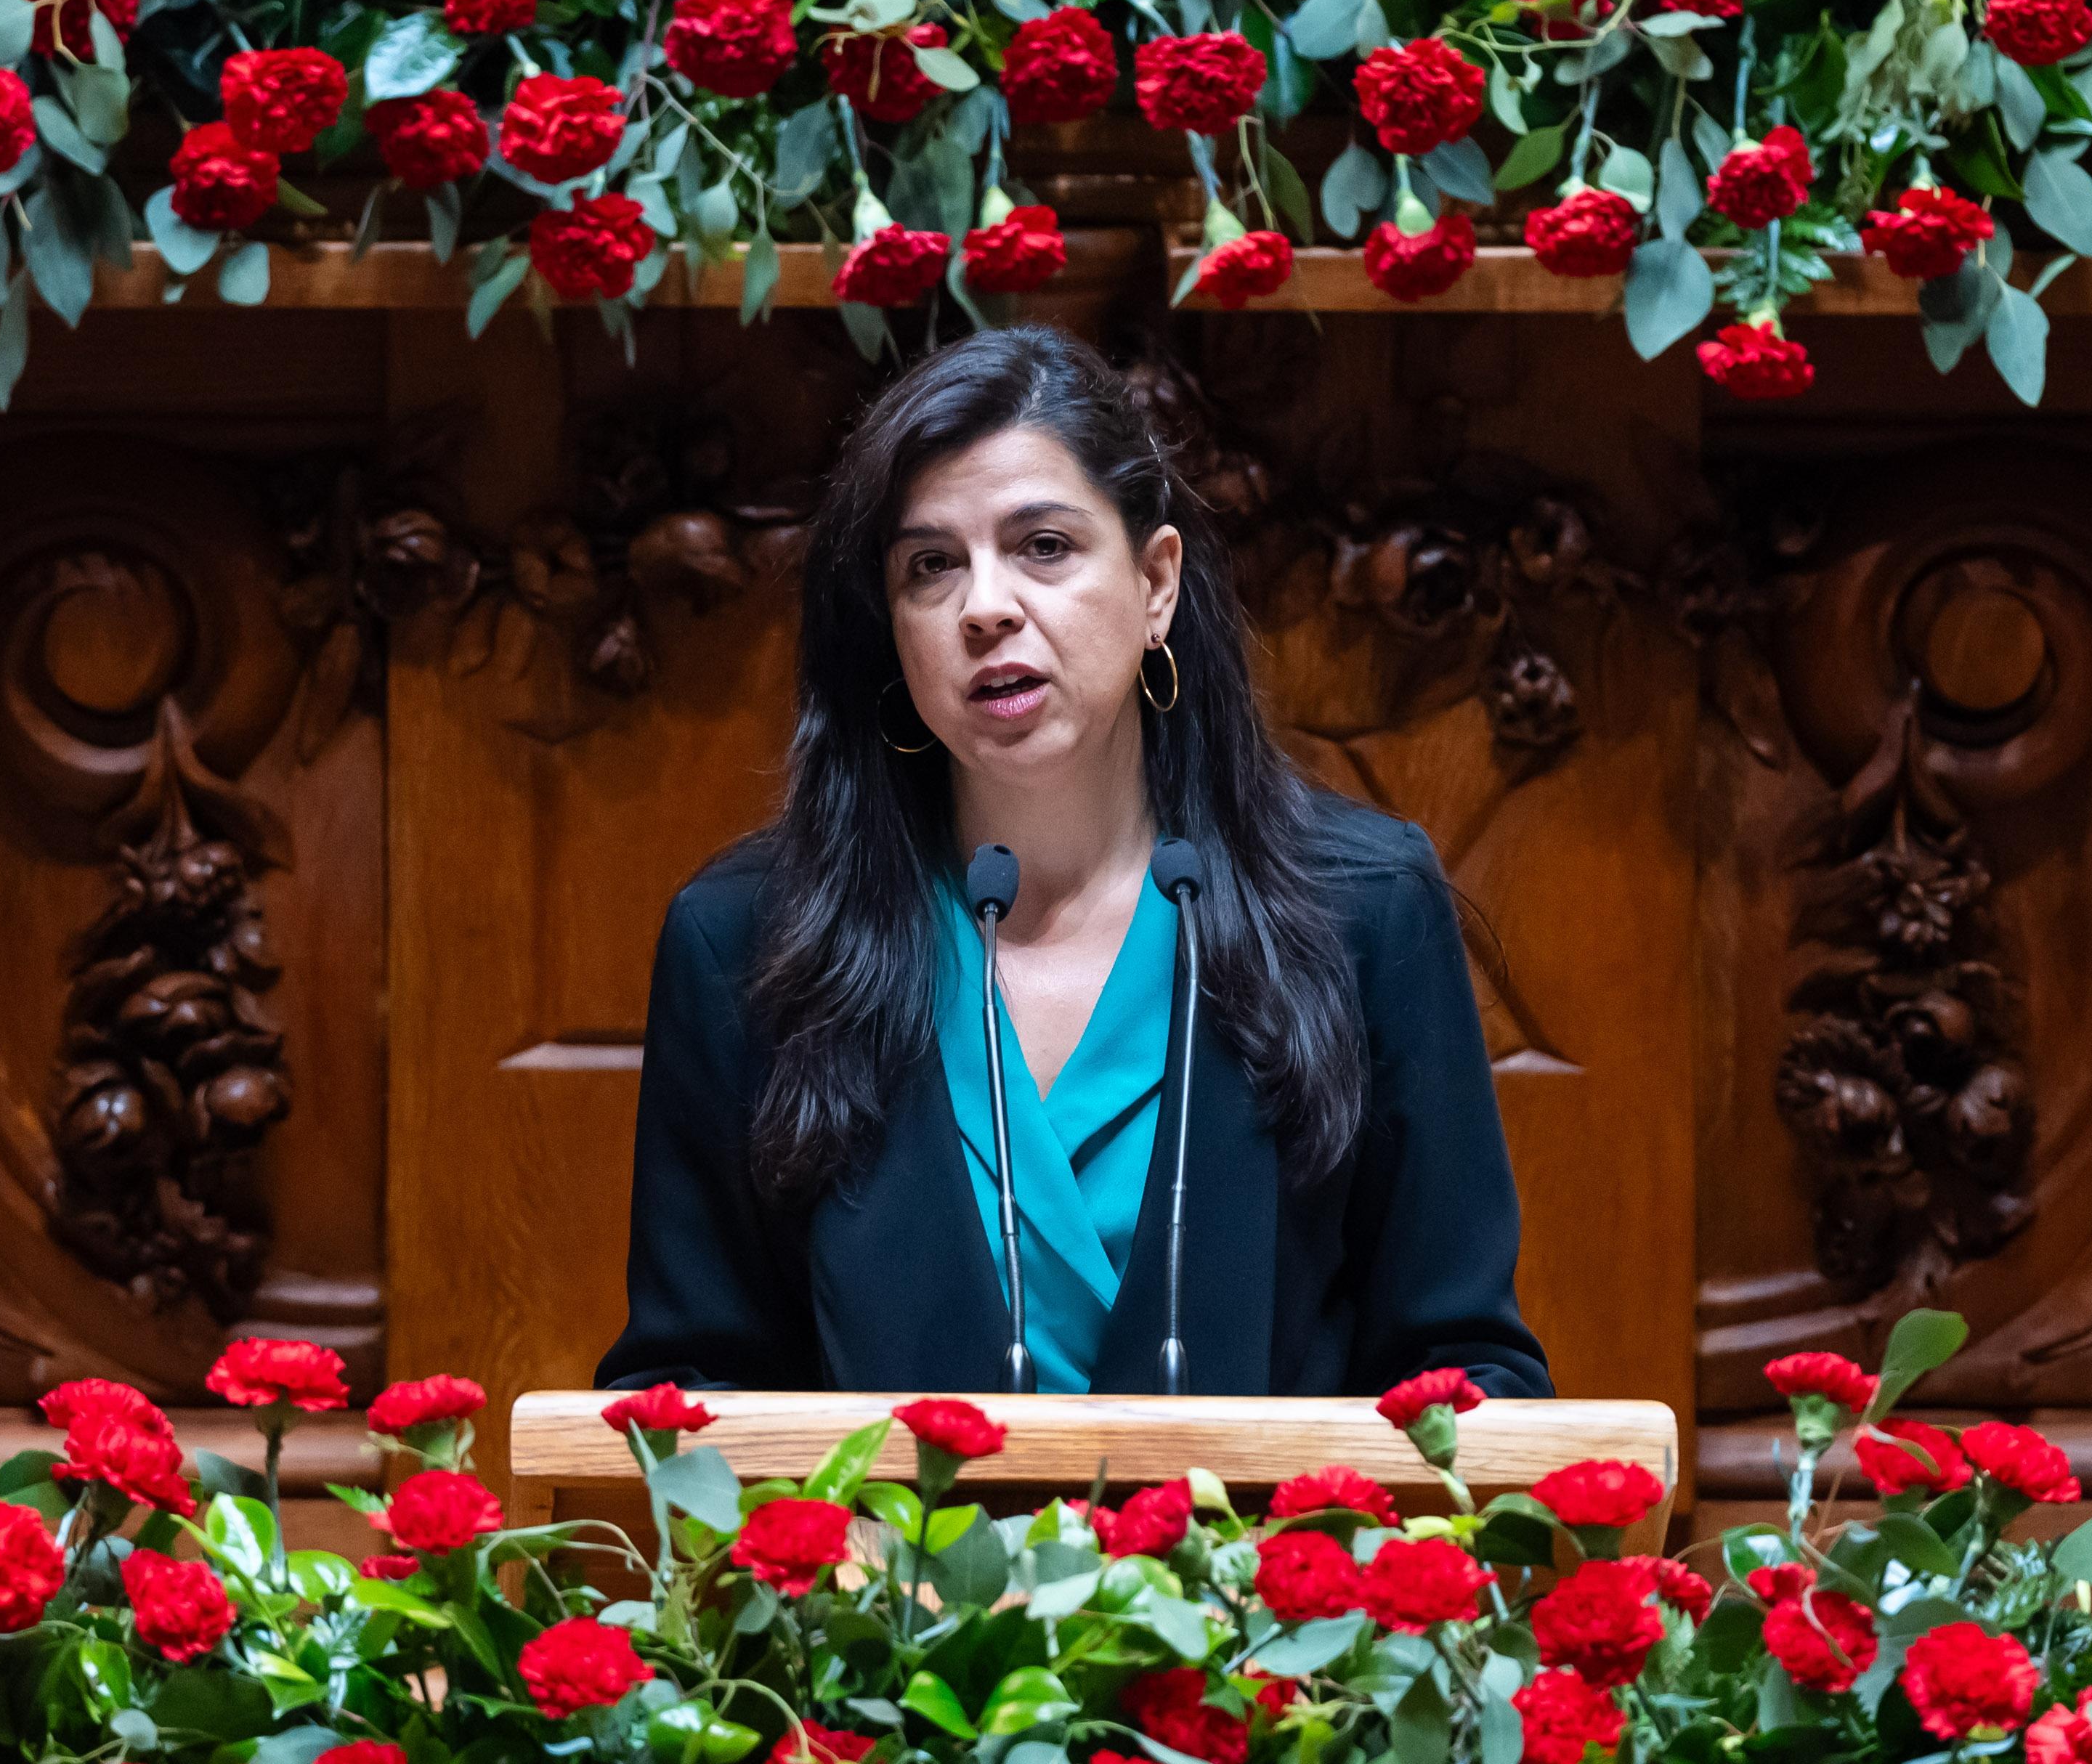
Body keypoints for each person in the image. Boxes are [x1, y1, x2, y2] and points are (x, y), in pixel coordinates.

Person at [599, 327, 1549, 1400]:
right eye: (930, 567)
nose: (985, 606)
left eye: (1043, 546)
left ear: (1155, 583)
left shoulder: (1360, 909)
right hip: (879, 1570)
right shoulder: (744, 941)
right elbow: (689, 1391)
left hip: (1264, 1566)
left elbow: (1467, 1371)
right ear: (892, 628)